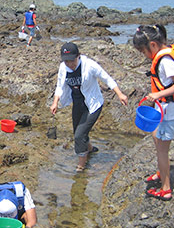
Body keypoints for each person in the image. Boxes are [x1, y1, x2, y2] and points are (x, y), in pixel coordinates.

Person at [133, 25, 174, 201]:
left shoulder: (165, 61)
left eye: (143, 51)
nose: (144, 55)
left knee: (161, 149)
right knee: (156, 137)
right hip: (170, 108)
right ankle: (161, 171)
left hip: (173, 110)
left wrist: (157, 94)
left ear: (153, 45)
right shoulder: (172, 50)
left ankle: (165, 188)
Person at [50, 42, 128, 172]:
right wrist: (55, 102)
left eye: (71, 60)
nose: (69, 64)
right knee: (78, 133)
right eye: (66, 61)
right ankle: (90, 149)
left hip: (93, 105)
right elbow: (59, 85)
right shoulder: (63, 67)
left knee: (79, 136)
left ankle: (81, 166)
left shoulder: (89, 65)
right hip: (77, 104)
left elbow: (106, 78)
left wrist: (119, 94)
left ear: (78, 56)